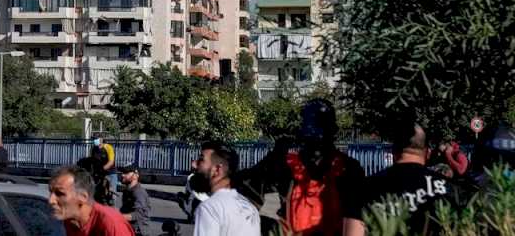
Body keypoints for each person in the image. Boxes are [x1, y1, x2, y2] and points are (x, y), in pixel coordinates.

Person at [237, 99, 365, 235]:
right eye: (313, 140)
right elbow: (270, 212)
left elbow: (356, 217)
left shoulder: (349, 170)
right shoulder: (283, 169)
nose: (317, 147)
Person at [343, 117, 458, 235]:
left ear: (393, 151)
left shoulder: (364, 188)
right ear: (427, 153)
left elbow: (353, 232)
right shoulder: (449, 188)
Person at [191, 141, 260, 236]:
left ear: (217, 169)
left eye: (201, 160)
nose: (194, 164)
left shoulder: (209, 208)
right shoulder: (250, 208)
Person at [47, 165, 134, 236]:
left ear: (83, 197)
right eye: (51, 192)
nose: (51, 200)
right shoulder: (69, 221)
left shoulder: (111, 223)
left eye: (60, 194)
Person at [118, 164, 152, 236]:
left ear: (136, 175)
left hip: (139, 232)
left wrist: (117, 217)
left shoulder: (138, 192)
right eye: (122, 172)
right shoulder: (127, 191)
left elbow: (139, 214)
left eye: (126, 172)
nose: (122, 175)